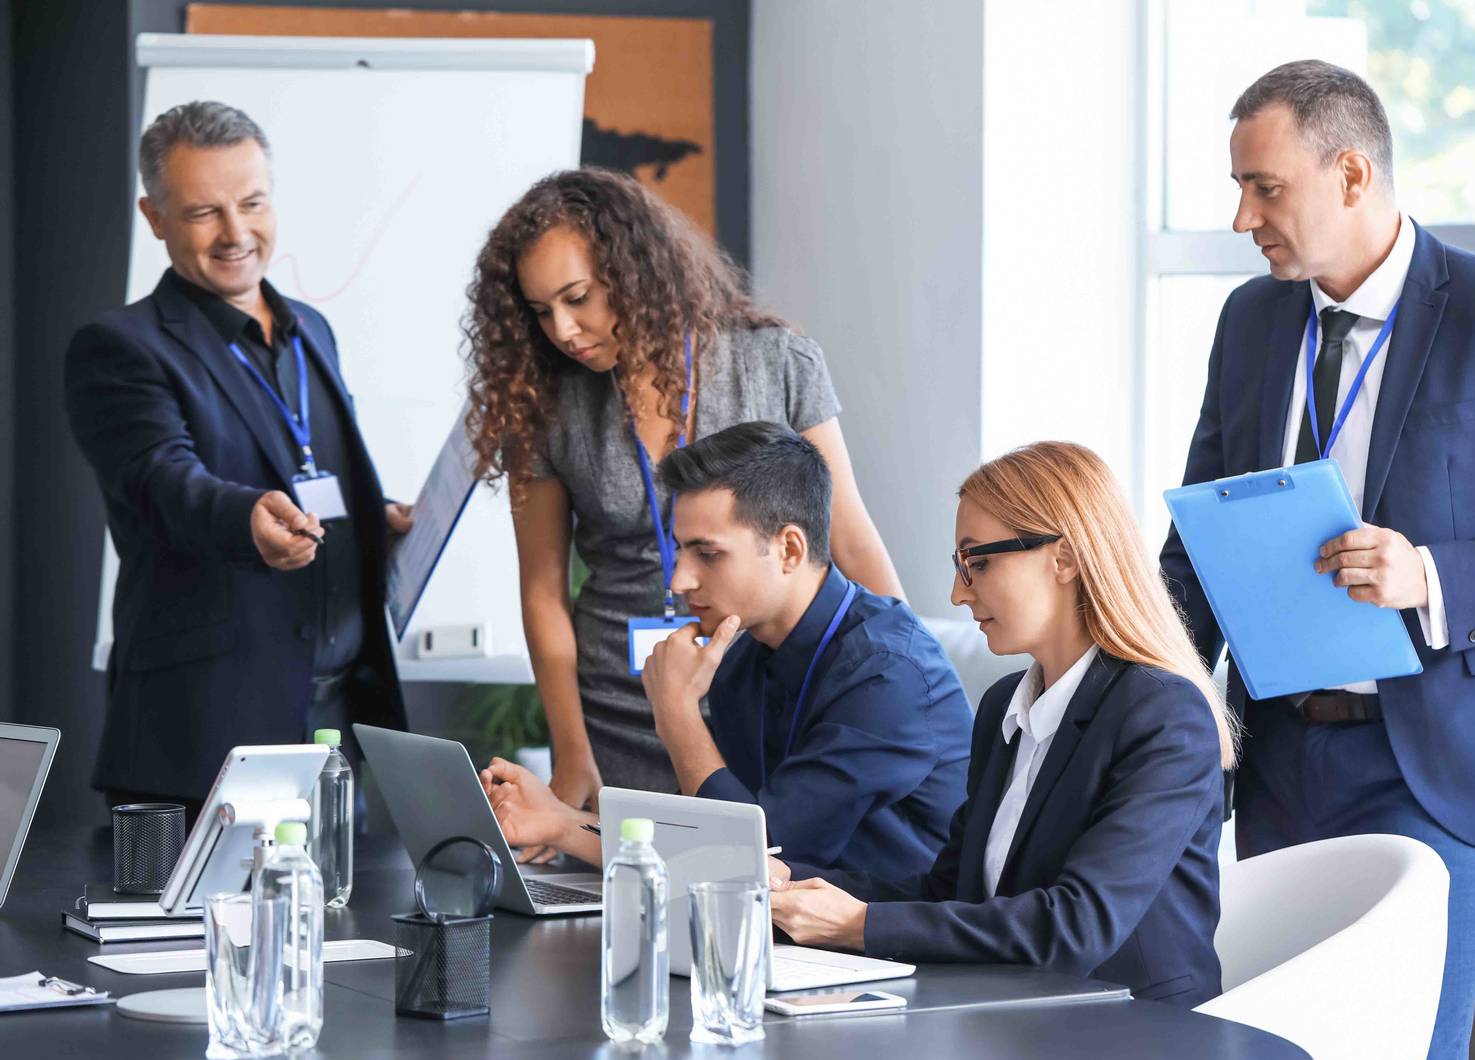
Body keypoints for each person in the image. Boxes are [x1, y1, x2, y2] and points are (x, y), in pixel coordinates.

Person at [1159, 60, 1475, 1060]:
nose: (1243, 217)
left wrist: (1432, 577)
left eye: (1264, 187)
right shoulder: (1251, 321)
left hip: (1437, 767)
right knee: (1270, 1055)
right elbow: (1194, 545)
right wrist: (1146, 679)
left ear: (1353, 174)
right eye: (1238, 188)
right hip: (1275, 759)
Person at [465, 168, 904, 805]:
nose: (561, 329)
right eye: (540, 311)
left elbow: (848, 536)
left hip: (769, 691)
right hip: (618, 703)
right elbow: (542, 591)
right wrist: (572, 750)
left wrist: (912, 678)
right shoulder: (545, 405)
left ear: (633, 269)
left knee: (769, 872)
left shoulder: (775, 361)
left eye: (578, 297)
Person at [768, 442, 1234, 1007]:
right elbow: (950, 892)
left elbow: (1077, 926)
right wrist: (789, 884)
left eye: (978, 562)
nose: (958, 593)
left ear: (1064, 558)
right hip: (1015, 1013)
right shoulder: (1001, 708)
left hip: (1138, 1034)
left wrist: (861, 924)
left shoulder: (1163, 714)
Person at [63, 101, 411, 821]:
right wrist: (245, 519)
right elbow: (163, 479)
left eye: (252, 203)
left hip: (338, 722)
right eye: (202, 213)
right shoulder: (120, 346)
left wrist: (369, 524)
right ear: (154, 216)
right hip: (203, 736)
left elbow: (307, 469)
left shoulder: (310, 328)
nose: (236, 233)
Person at [481, 422, 972, 880]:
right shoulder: (741, 657)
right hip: (785, 938)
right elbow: (698, 843)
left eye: (708, 554)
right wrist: (559, 823)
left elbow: (753, 857)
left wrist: (676, 714)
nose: (678, 580)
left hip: (905, 958)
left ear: (790, 550)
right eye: (678, 551)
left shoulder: (888, 674)